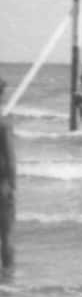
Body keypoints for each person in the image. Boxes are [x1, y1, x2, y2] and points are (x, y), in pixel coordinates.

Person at [0, 79, 15, 273]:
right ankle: (8, 283)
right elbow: (10, 158)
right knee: (6, 237)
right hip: (1, 184)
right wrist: (13, 186)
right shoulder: (4, 121)